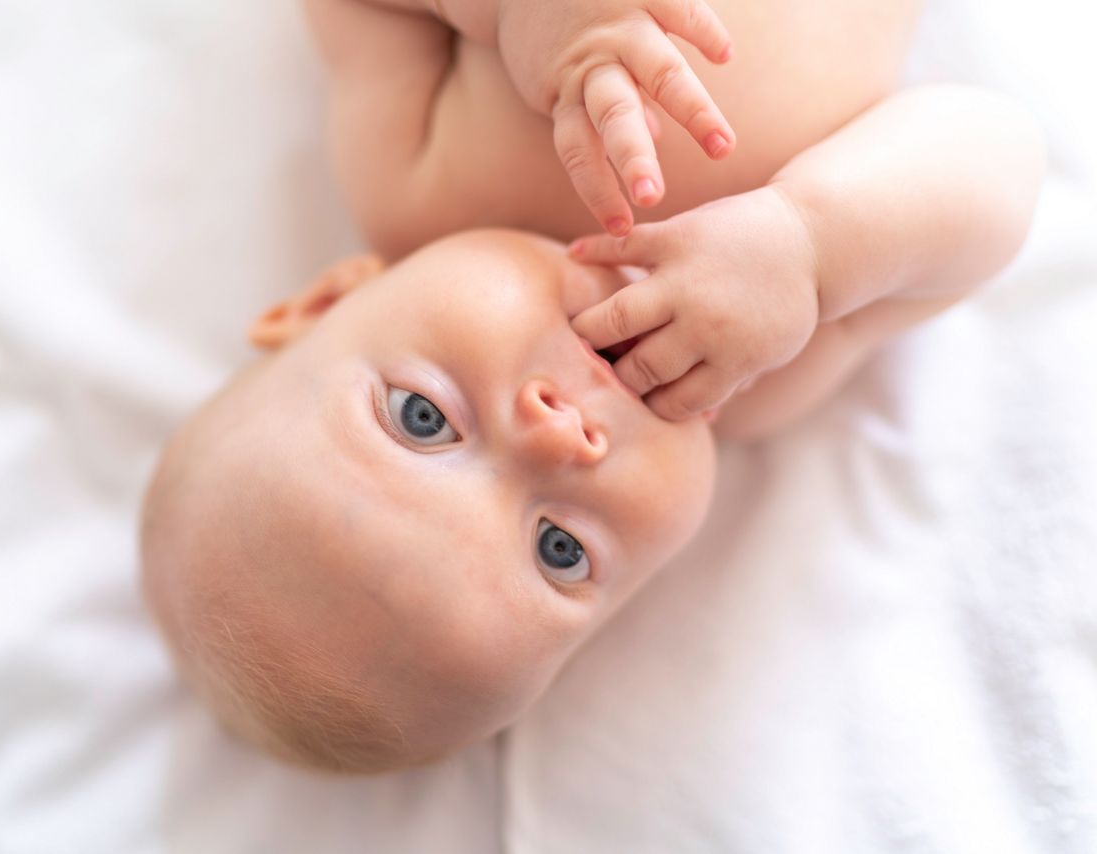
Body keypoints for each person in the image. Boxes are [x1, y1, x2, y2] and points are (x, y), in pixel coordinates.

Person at [140, 0, 1045, 774]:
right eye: (558, 549)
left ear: (331, 300)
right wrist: (813, 248)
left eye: (423, 421)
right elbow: (996, 159)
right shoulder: (769, 373)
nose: (556, 439)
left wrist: (528, 16)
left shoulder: (416, 182)